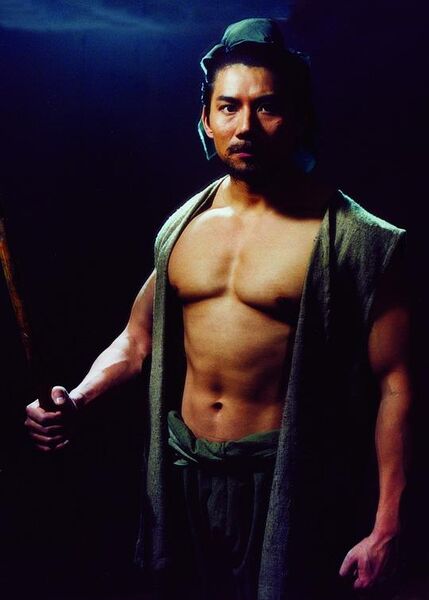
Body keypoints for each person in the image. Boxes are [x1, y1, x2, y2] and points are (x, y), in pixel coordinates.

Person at [25, 18, 411, 600]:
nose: (245, 126)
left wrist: (387, 525)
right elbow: (138, 339)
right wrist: (76, 400)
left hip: (286, 481)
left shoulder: (359, 242)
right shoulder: (185, 228)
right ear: (206, 119)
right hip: (185, 475)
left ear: (299, 117)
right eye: (228, 107)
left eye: (267, 107)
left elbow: (397, 384)